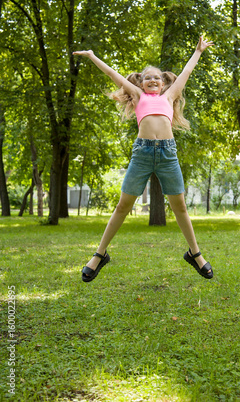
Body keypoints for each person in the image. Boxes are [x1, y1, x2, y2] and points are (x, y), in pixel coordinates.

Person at [73, 36, 214, 282]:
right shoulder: (138, 96)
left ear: (163, 83)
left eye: (157, 78)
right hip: (143, 154)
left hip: (168, 154)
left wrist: (198, 50)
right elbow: (112, 74)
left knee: (179, 206)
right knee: (122, 206)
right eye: (147, 77)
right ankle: (99, 254)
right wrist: (92, 55)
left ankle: (195, 253)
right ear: (141, 81)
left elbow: (187, 71)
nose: (152, 80)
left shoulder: (169, 97)